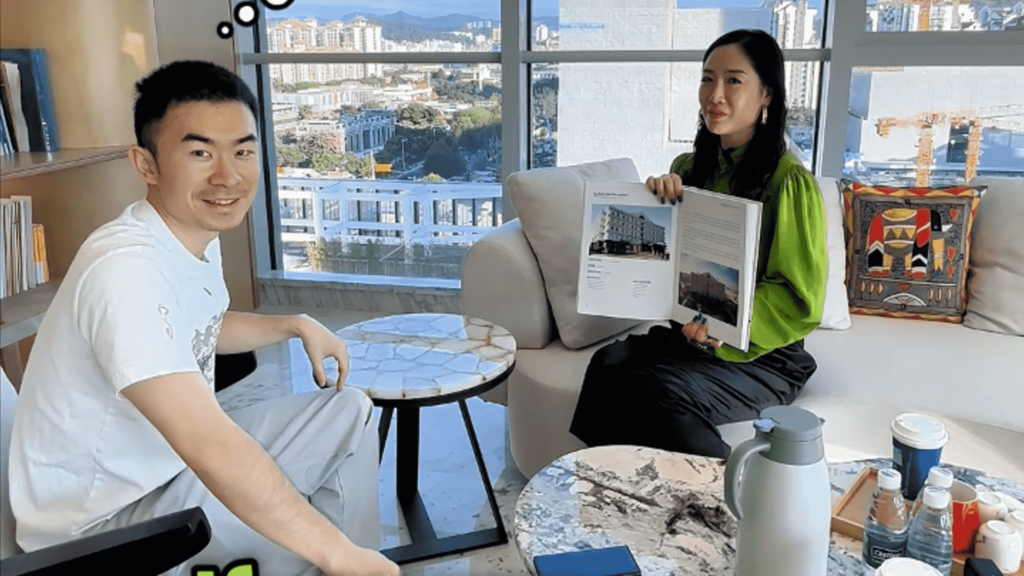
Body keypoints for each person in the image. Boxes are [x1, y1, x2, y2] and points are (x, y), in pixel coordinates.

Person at [8, 60, 399, 576]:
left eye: (242, 151)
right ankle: (344, 561)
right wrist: (333, 551)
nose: (227, 176)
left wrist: (294, 323)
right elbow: (210, 446)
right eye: (199, 153)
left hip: (163, 472)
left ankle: (361, 563)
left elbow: (198, 327)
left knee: (347, 411)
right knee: (307, 540)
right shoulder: (124, 272)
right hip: (101, 528)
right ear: (146, 165)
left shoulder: (188, 234)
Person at [569, 30, 828, 459]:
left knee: (656, 393)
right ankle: (619, 482)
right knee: (607, 366)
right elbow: (667, 264)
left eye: (733, 80)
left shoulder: (788, 182)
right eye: (708, 79)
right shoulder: (687, 169)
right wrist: (657, 204)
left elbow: (799, 299)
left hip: (762, 356)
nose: (715, 95)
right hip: (690, 337)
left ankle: (725, 485)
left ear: (766, 94)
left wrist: (723, 324)